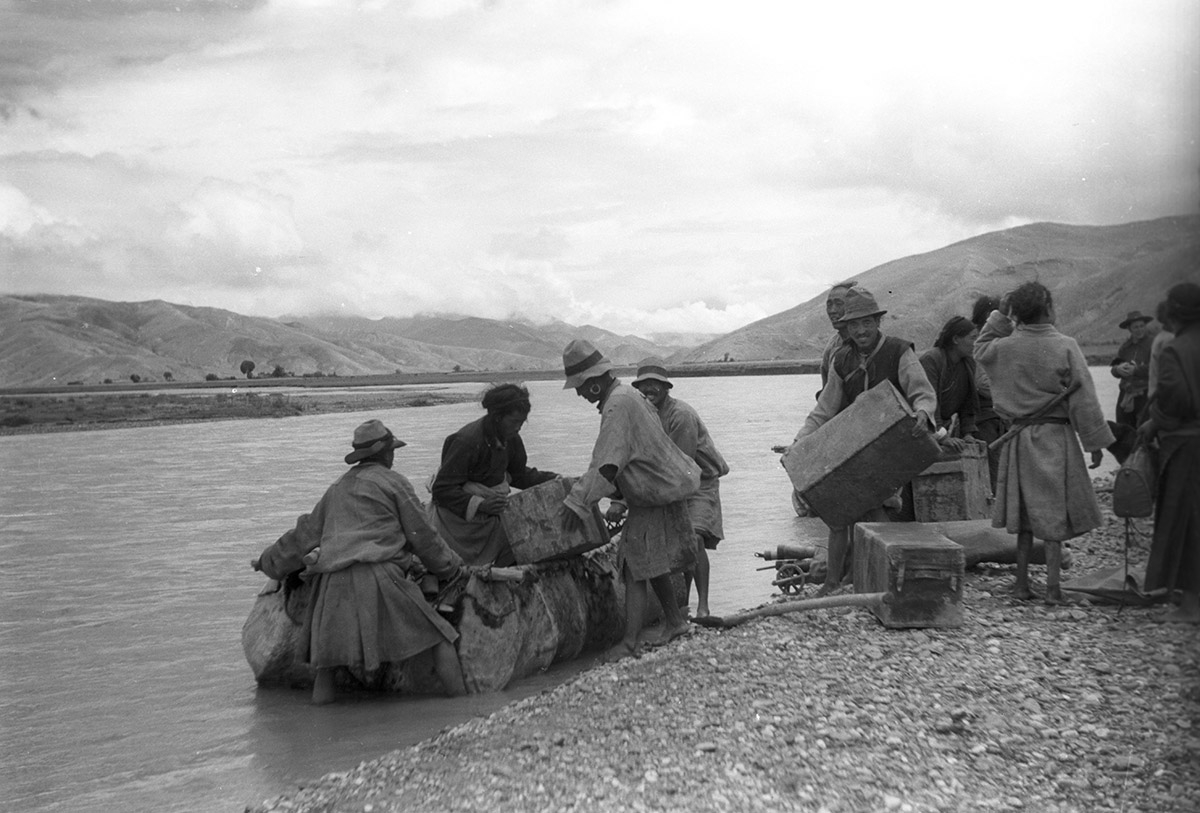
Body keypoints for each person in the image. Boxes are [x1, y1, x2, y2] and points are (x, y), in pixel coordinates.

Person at [252, 419, 468, 704]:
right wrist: (451, 566)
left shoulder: (337, 488)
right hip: (380, 578)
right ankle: (466, 710)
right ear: (386, 454)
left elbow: (302, 536)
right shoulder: (395, 483)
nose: (393, 456)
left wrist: (267, 561)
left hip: (330, 586)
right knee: (441, 638)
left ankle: (319, 729)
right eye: (392, 451)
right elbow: (423, 537)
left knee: (326, 668)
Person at [790, 286, 938, 596]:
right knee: (839, 512)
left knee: (876, 509)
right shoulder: (842, 359)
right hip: (852, 445)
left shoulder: (899, 352)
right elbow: (825, 408)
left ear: (878, 322)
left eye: (867, 323)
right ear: (847, 327)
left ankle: (868, 575)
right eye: (854, 325)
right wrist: (800, 441)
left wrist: (924, 412)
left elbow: (921, 391)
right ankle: (835, 580)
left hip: (889, 445)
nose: (861, 331)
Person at [974, 282, 1115, 604]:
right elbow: (1085, 399)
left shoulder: (1004, 347)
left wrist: (1000, 316)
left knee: (1024, 519)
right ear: (1049, 309)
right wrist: (1094, 442)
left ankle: (1021, 585)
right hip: (1055, 439)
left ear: (1016, 312)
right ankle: (1053, 589)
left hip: (1019, 440)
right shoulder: (1066, 345)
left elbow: (980, 347)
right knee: (1052, 519)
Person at [557, 339, 697, 660]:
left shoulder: (618, 404)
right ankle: (675, 621)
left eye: (580, 387)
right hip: (660, 489)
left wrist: (578, 502)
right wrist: (616, 498)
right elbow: (626, 456)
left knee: (633, 565)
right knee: (650, 559)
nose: (579, 394)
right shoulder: (627, 396)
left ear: (594, 384)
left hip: (654, 493)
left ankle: (631, 642)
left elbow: (607, 461)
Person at [631, 357, 729, 619]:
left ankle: (703, 606)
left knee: (693, 538)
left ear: (666, 388)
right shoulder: (643, 416)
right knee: (675, 546)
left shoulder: (681, 415)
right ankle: (681, 607)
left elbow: (682, 464)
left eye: (655, 384)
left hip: (698, 482)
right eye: (643, 385)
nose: (648, 390)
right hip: (668, 483)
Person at [430, 383, 558, 566]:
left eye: (522, 422)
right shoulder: (466, 441)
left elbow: (519, 475)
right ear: (498, 417)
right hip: (459, 525)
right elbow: (441, 490)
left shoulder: (511, 439)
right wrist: (481, 504)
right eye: (514, 422)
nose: (519, 428)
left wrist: (555, 480)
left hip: (489, 517)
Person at [1138, 282, 1200, 624]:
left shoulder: (1178, 349)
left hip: (1187, 445)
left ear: (1174, 312)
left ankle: (1191, 604)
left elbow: (1175, 400)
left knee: (1187, 520)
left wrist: (1153, 422)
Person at [919, 315, 980, 452]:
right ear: (956, 339)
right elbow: (928, 402)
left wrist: (968, 433)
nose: (975, 343)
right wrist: (943, 437)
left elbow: (967, 403)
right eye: (972, 338)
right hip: (923, 431)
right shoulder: (932, 360)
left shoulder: (968, 363)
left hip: (942, 430)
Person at [970, 295, 1008, 487]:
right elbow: (981, 383)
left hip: (996, 418)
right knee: (995, 474)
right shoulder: (981, 343)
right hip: (986, 420)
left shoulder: (990, 342)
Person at [1110, 309, 1155, 429]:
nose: (1139, 329)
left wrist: (1136, 370)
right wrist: (1117, 369)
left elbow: (1158, 368)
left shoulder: (1154, 343)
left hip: (1146, 396)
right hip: (1125, 394)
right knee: (1124, 433)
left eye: (1142, 326)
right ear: (1129, 329)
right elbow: (1113, 369)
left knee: (1145, 434)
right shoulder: (1125, 347)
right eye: (1136, 327)